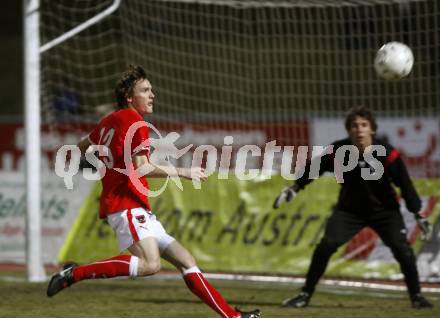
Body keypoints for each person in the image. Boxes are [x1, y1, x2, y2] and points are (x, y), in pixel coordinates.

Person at [47, 65, 261, 318]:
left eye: (151, 90)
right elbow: (142, 168)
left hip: (132, 205)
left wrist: (108, 161)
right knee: (151, 265)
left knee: (186, 260)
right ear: (129, 96)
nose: (152, 95)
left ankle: (233, 317)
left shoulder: (109, 120)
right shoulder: (135, 123)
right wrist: (184, 172)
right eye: (145, 90)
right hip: (126, 205)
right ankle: (73, 274)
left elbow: (83, 146)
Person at [273, 106, 433, 309]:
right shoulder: (338, 151)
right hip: (349, 211)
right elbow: (315, 168)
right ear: (349, 130)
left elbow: (405, 184)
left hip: (385, 212)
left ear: (372, 129)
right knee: (326, 246)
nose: (359, 130)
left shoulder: (387, 153)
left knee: (402, 250)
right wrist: (295, 187)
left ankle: (417, 296)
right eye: (354, 125)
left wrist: (417, 212)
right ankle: (304, 295)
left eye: (364, 125)